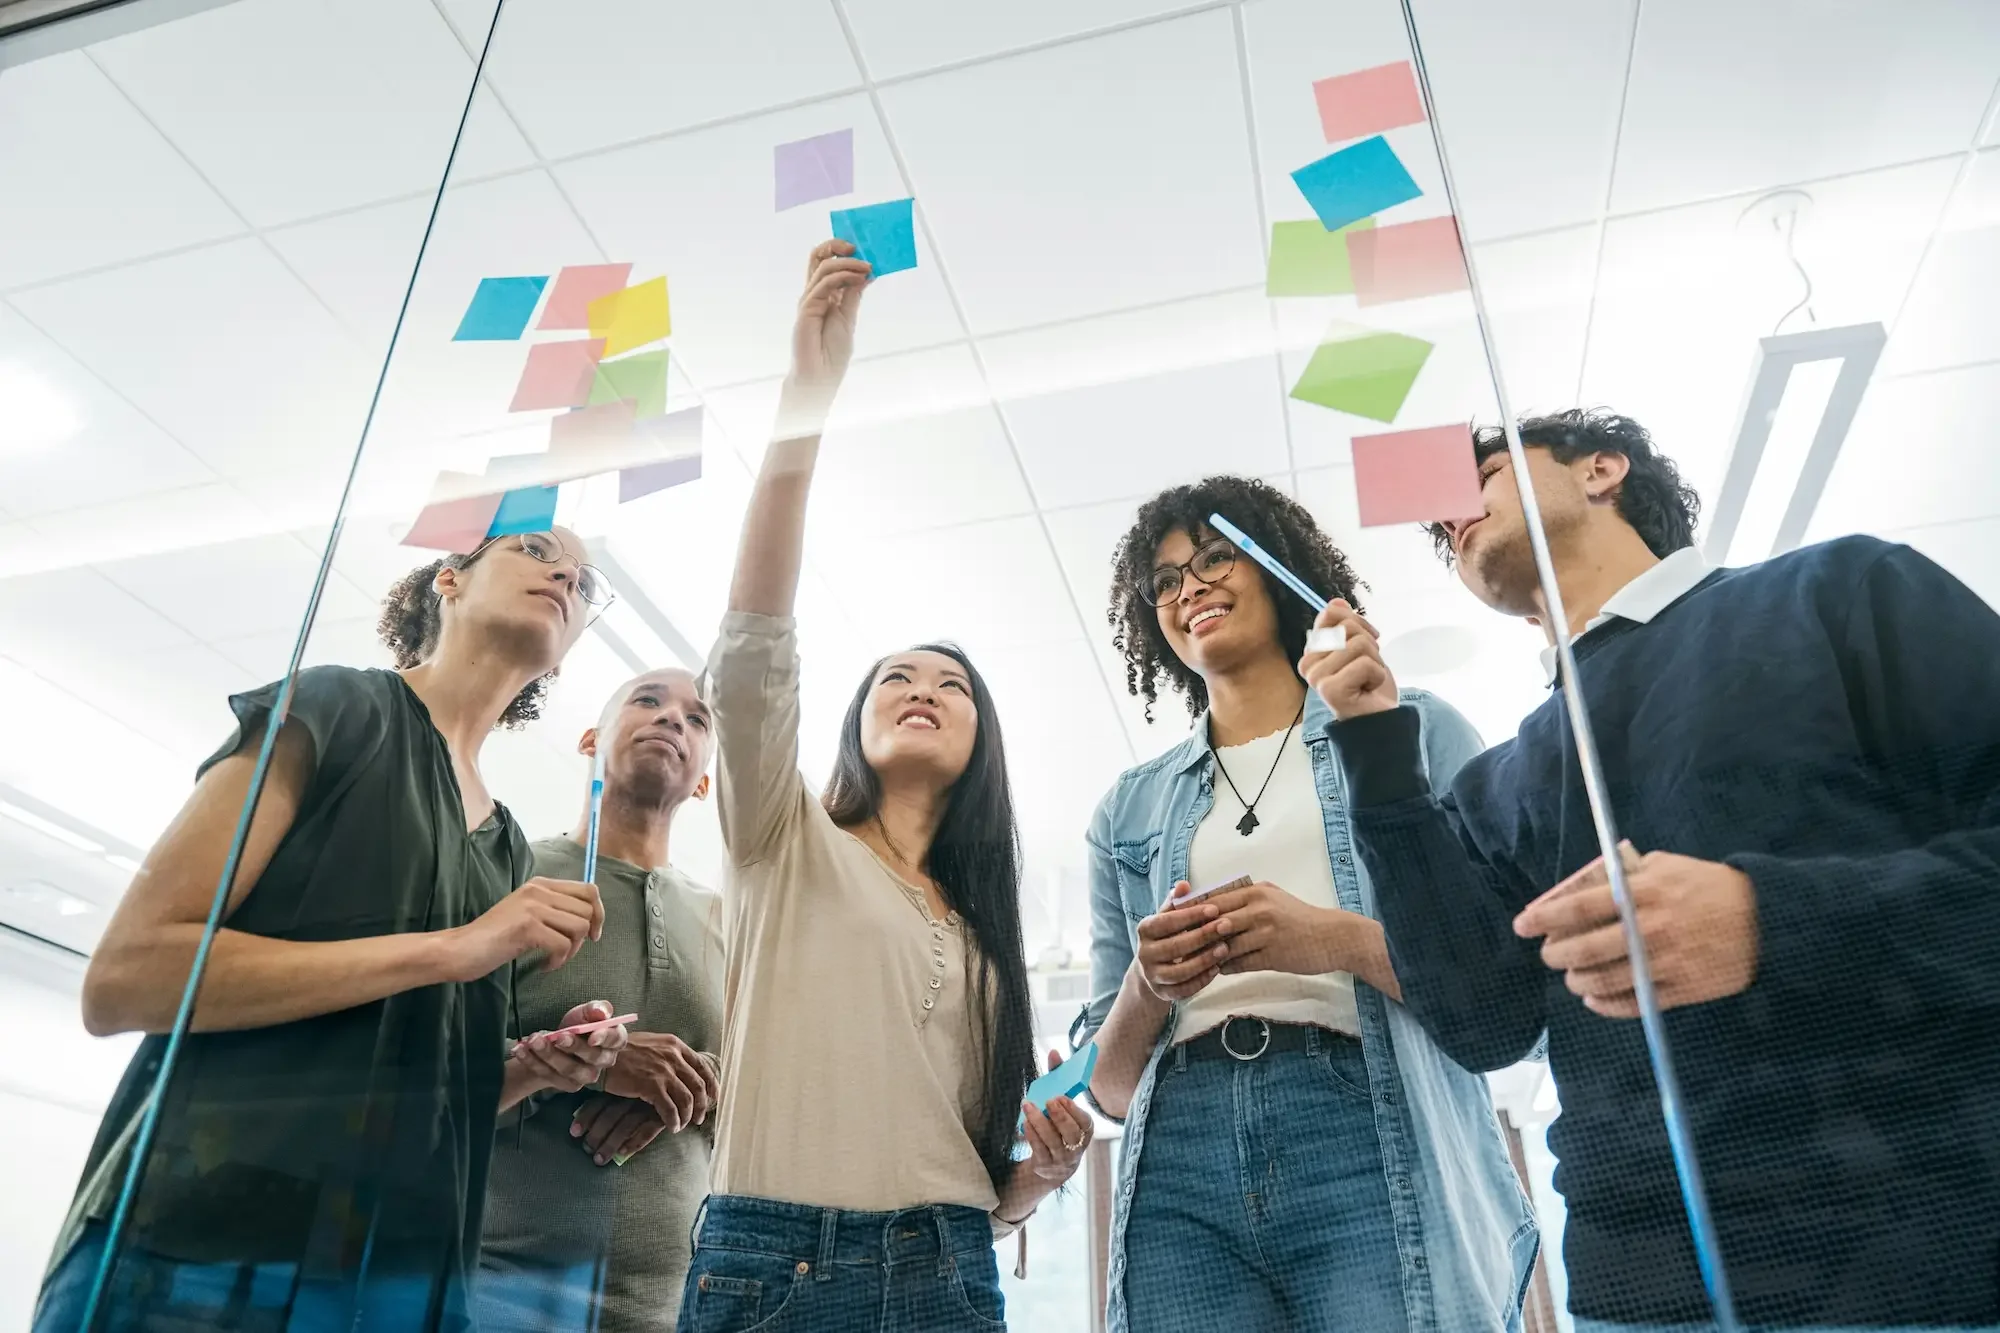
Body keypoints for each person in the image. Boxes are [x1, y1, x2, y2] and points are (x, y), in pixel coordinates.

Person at [1305, 409, 2000, 1331]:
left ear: (1601, 469)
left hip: (1916, 1256)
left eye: (1479, 475)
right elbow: (1484, 1022)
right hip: (1636, 1287)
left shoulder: (1840, 590)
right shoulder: (1498, 783)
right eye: (1436, 529)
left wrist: (1771, 917)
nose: (1448, 517)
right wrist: (1377, 749)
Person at [36, 528, 631, 1333]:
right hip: (196, 1254)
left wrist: (530, 1069)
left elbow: (426, 1091)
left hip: (397, 1283)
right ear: (448, 581)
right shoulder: (338, 707)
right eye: (533, 548)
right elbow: (128, 978)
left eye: (584, 579)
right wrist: (456, 948)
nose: (565, 572)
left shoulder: (507, 845)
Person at [676, 240, 1089, 1333]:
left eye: (948, 684)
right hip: (776, 1267)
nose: (919, 688)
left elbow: (968, 1178)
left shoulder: (985, 937)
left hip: (952, 1266)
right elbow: (752, 645)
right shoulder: (783, 836)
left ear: (981, 736)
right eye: (894, 679)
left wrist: (1036, 1179)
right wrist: (805, 399)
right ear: (851, 725)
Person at [1073, 476, 1538, 1333]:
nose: (1190, 587)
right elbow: (1107, 1084)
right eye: (1167, 580)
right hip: (1181, 1145)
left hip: (1363, 1113)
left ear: (1278, 568)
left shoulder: (1411, 728)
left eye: (1215, 557)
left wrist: (1331, 939)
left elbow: (1498, 987)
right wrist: (1149, 982)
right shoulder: (1127, 810)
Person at [479, 667, 725, 1332]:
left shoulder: (725, 920)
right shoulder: (508, 873)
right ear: (591, 739)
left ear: (704, 780)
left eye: (696, 718)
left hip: (677, 1305)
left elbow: (766, 1099)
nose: (673, 718)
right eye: (648, 701)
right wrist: (590, 1062)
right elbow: (431, 1073)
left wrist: (686, 1089)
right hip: (499, 1293)